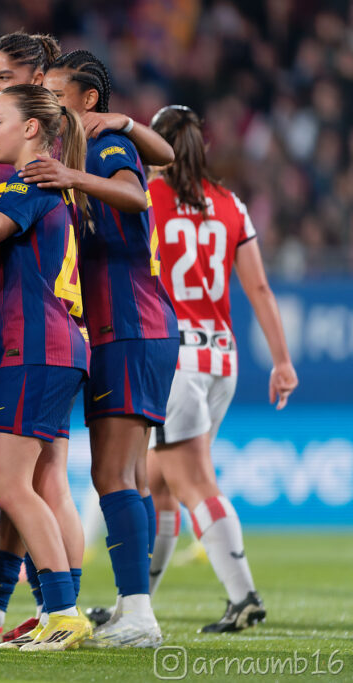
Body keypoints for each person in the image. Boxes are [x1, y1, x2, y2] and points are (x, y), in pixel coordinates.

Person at [30, 50, 179, 648]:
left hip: (127, 323)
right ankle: (131, 605)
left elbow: (136, 195)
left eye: (56, 91)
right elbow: (163, 155)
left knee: (113, 473)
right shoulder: (92, 141)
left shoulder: (102, 146)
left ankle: (140, 613)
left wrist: (73, 177)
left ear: (88, 99)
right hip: (129, 326)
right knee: (132, 476)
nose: (47, 102)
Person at [0, 84, 94, 652]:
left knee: (8, 483)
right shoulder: (49, 178)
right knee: (39, 483)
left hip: (36, 347)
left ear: (31, 128)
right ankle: (58, 610)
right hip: (51, 346)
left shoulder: (31, 178)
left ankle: (63, 612)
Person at [145, 105, 296, 632]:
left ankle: (244, 596)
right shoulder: (229, 203)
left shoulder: (147, 198)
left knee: (192, 484)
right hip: (221, 358)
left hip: (176, 358)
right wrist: (280, 359)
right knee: (160, 484)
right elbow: (257, 286)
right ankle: (134, 605)